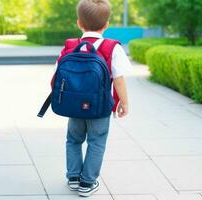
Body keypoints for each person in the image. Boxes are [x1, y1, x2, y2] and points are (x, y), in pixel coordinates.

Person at [55, 0, 131, 197]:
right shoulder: (112, 47)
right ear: (106, 25)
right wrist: (124, 102)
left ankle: (73, 178)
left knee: (73, 140)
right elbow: (119, 80)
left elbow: (56, 76)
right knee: (96, 141)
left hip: (73, 106)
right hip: (99, 107)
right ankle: (87, 183)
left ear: (79, 23)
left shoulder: (71, 46)